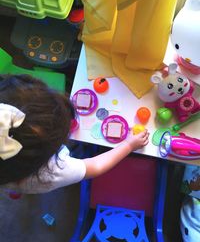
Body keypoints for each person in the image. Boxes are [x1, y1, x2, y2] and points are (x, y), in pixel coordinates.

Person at [0, 74, 149, 194]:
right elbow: (95, 166)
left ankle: (14, 188)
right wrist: (129, 145)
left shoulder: (13, 162)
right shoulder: (52, 172)